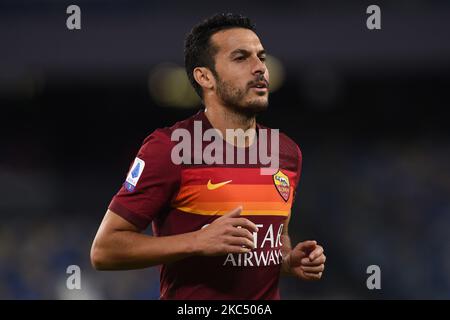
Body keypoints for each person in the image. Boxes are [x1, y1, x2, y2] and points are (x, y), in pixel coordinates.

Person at [91, 13, 326, 299]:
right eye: (241, 58)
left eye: (261, 57)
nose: (260, 68)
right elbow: (104, 250)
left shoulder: (286, 151)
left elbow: (273, 240)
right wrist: (197, 241)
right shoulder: (170, 148)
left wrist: (287, 261)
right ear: (205, 77)